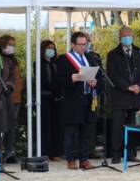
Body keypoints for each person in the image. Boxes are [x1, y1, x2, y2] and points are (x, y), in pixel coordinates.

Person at [106, 26, 140, 164]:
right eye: (124, 35)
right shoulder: (113, 54)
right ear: (119, 38)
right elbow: (112, 74)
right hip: (120, 96)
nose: (127, 38)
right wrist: (127, 87)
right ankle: (116, 154)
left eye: (129, 35)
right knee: (117, 126)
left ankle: (131, 153)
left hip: (136, 95)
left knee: (134, 125)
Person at [56, 32, 99, 170]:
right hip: (72, 101)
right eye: (80, 45)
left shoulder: (89, 57)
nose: (82, 47)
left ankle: (84, 159)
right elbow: (58, 81)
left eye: (84, 44)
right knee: (71, 132)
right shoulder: (64, 59)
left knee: (86, 131)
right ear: (73, 44)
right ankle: (70, 159)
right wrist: (71, 79)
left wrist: (95, 82)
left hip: (87, 99)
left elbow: (98, 75)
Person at [38, 40, 63, 161]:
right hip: (45, 97)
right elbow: (43, 80)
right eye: (48, 48)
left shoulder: (56, 63)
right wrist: (54, 87)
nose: (51, 50)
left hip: (56, 98)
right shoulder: (38, 63)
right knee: (46, 126)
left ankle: (56, 152)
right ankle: (46, 152)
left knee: (56, 125)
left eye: (53, 48)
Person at [0, 34, 21, 163]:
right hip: (4, 97)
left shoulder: (13, 60)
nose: (12, 47)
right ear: (2, 45)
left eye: (13, 45)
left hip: (15, 98)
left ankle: (9, 152)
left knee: (12, 127)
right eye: (10, 44)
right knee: (2, 126)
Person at [84, 32, 104, 159]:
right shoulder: (71, 57)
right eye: (86, 41)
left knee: (92, 123)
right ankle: (80, 150)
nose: (88, 44)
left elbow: (100, 74)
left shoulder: (94, 56)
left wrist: (97, 84)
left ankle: (90, 149)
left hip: (94, 95)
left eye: (89, 41)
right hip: (81, 95)